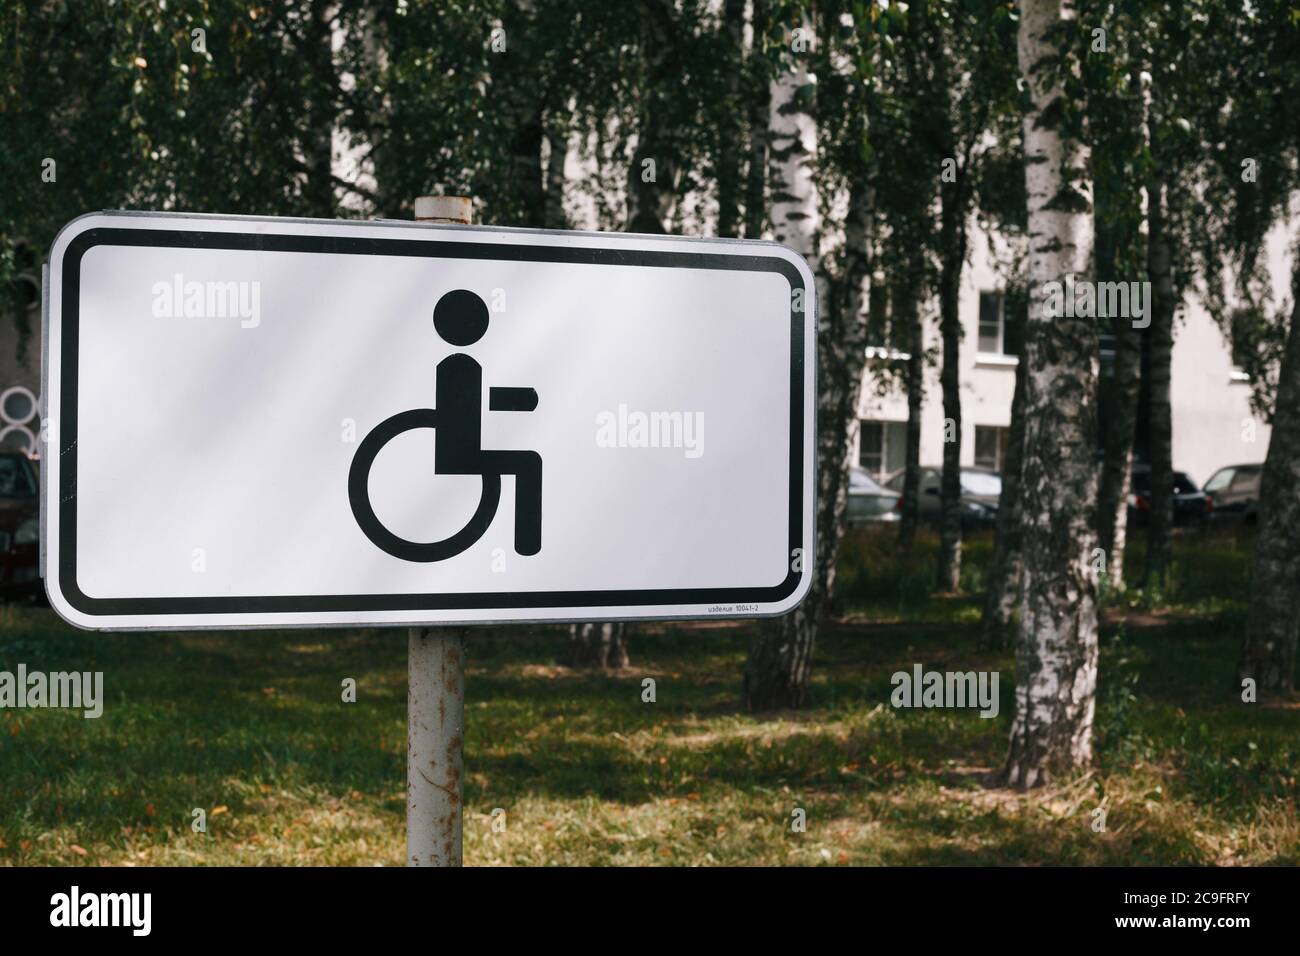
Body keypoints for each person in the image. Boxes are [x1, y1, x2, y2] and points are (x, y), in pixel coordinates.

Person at [431, 289, 542, 556]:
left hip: (459, 445)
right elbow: (499, 399)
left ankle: (526, 548)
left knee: (527, 463)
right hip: (461, 448)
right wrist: (525, 399)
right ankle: (527, 547)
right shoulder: (462, 367)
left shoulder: (455, 365)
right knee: (528, 463)